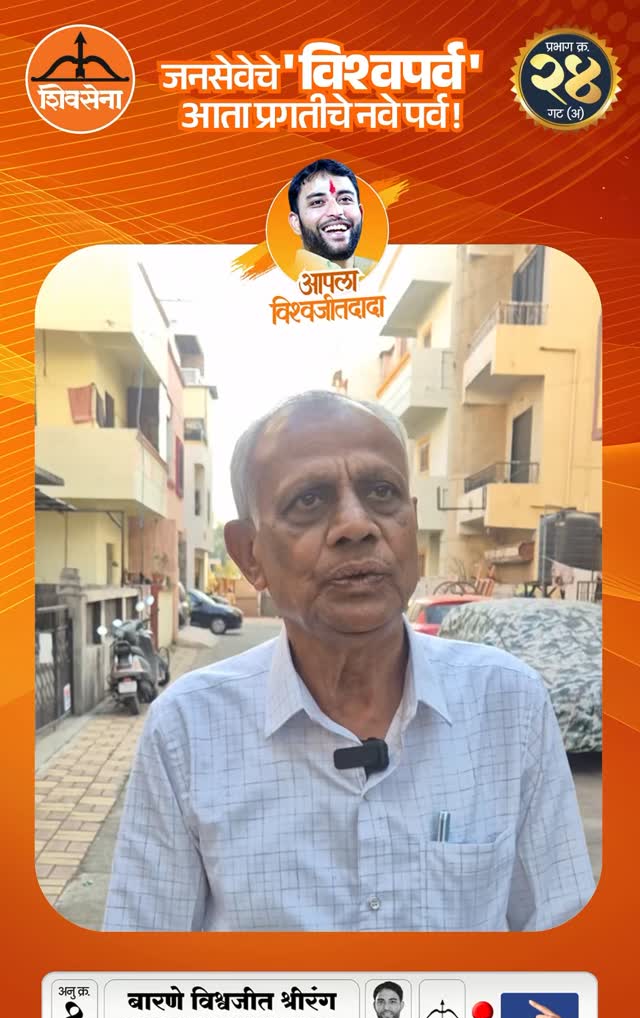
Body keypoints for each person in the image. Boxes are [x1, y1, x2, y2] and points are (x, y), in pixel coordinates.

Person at [103, 390, 595, 932]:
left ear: (411, 525)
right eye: (309, 501)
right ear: (249, 555)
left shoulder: (509, 705)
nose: (356, 525)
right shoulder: (188, 731)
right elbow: (142, 964)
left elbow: (564, 945)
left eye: (381, 492)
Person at [287, 158, 375, 277]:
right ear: (296, 223)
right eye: (317, 202)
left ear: (361, 213)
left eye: (345, 199)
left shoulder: (385, 275)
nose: (336, 211)